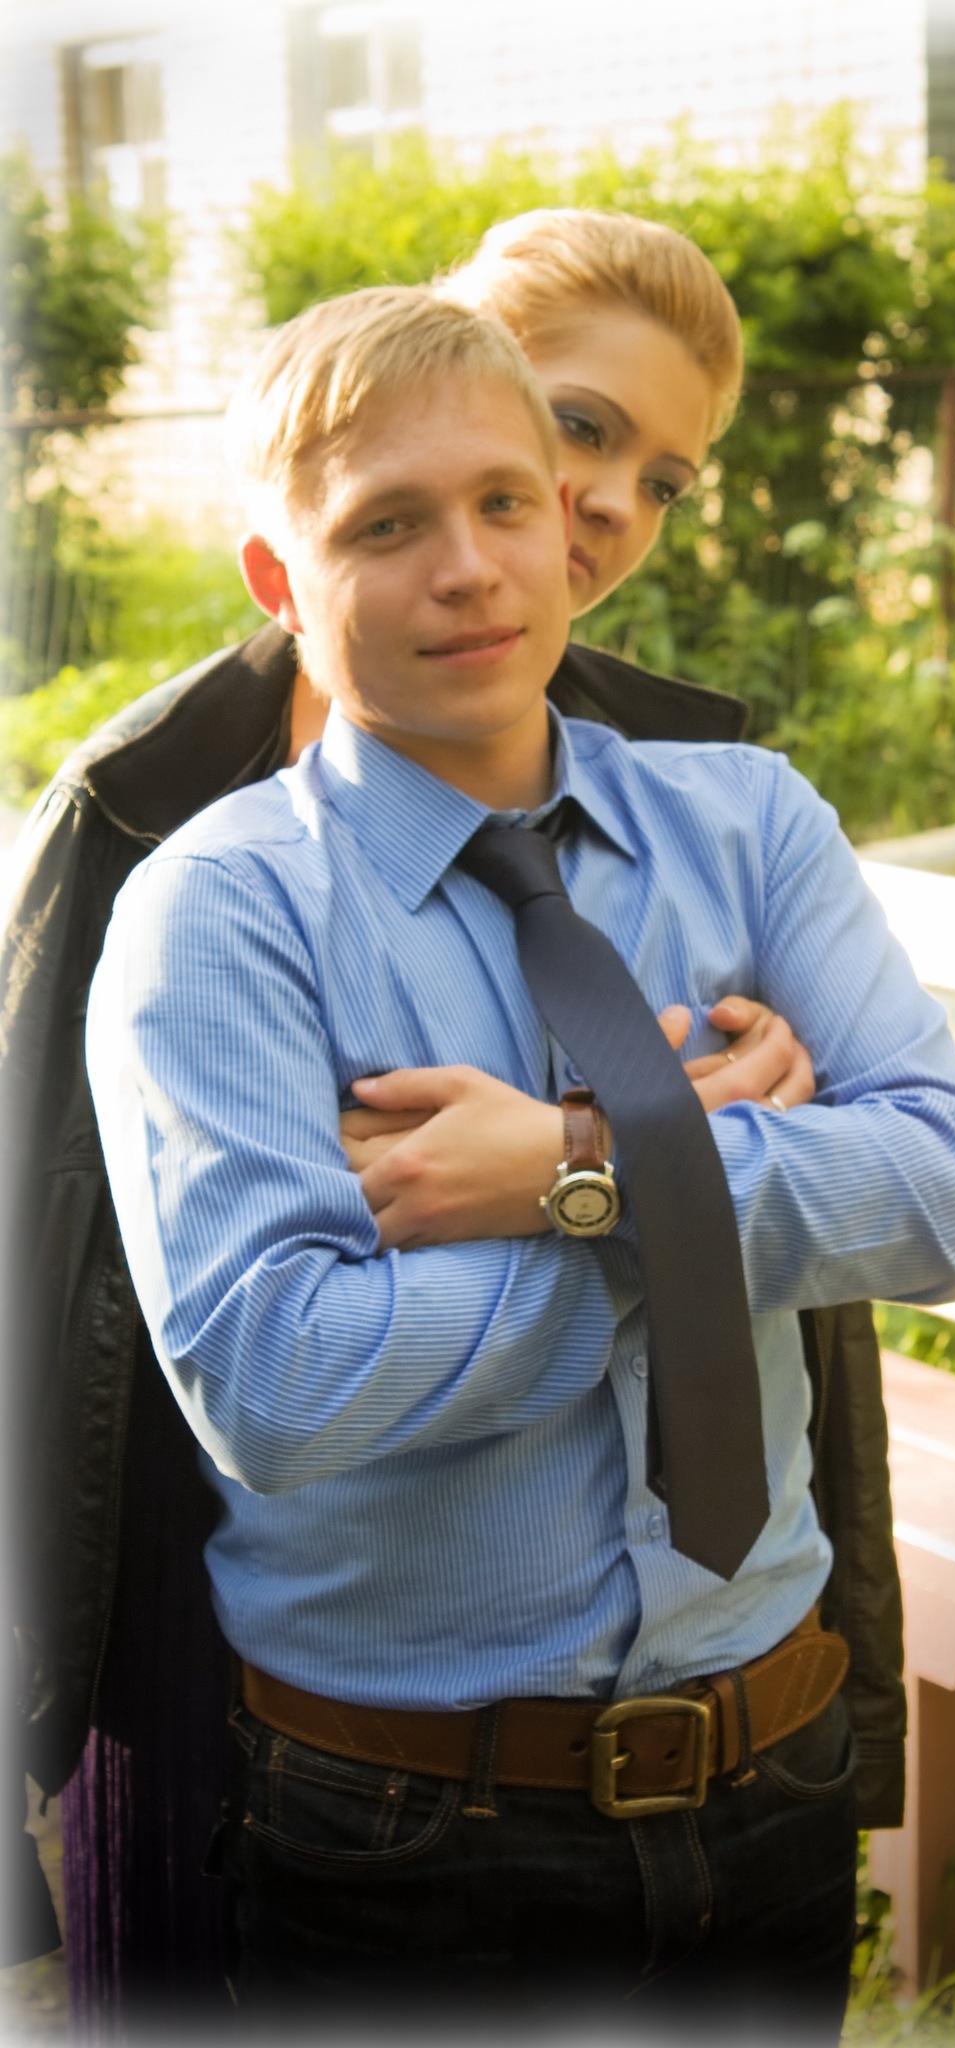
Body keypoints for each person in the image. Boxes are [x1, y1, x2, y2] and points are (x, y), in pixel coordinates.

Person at [84, 285, 955, 2038]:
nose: (469, 568)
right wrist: (702, 1170)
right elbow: (280, 1382)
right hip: (407, 1827)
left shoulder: (747, 822)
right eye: (386, 525)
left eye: (504, 501)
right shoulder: (216, 912)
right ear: (280, 583)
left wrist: (574, 1161)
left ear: (560, 525)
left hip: (767, 1760)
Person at [1, 211, 824, 2026]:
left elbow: (819, 1282)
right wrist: (665, 1177)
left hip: (665, 1664)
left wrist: (636, 1155)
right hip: (224, 1624)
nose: (606, 505)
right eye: (579, 426)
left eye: (660, 477)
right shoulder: (148, 819)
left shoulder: (709, 790)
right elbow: (34, 1273)